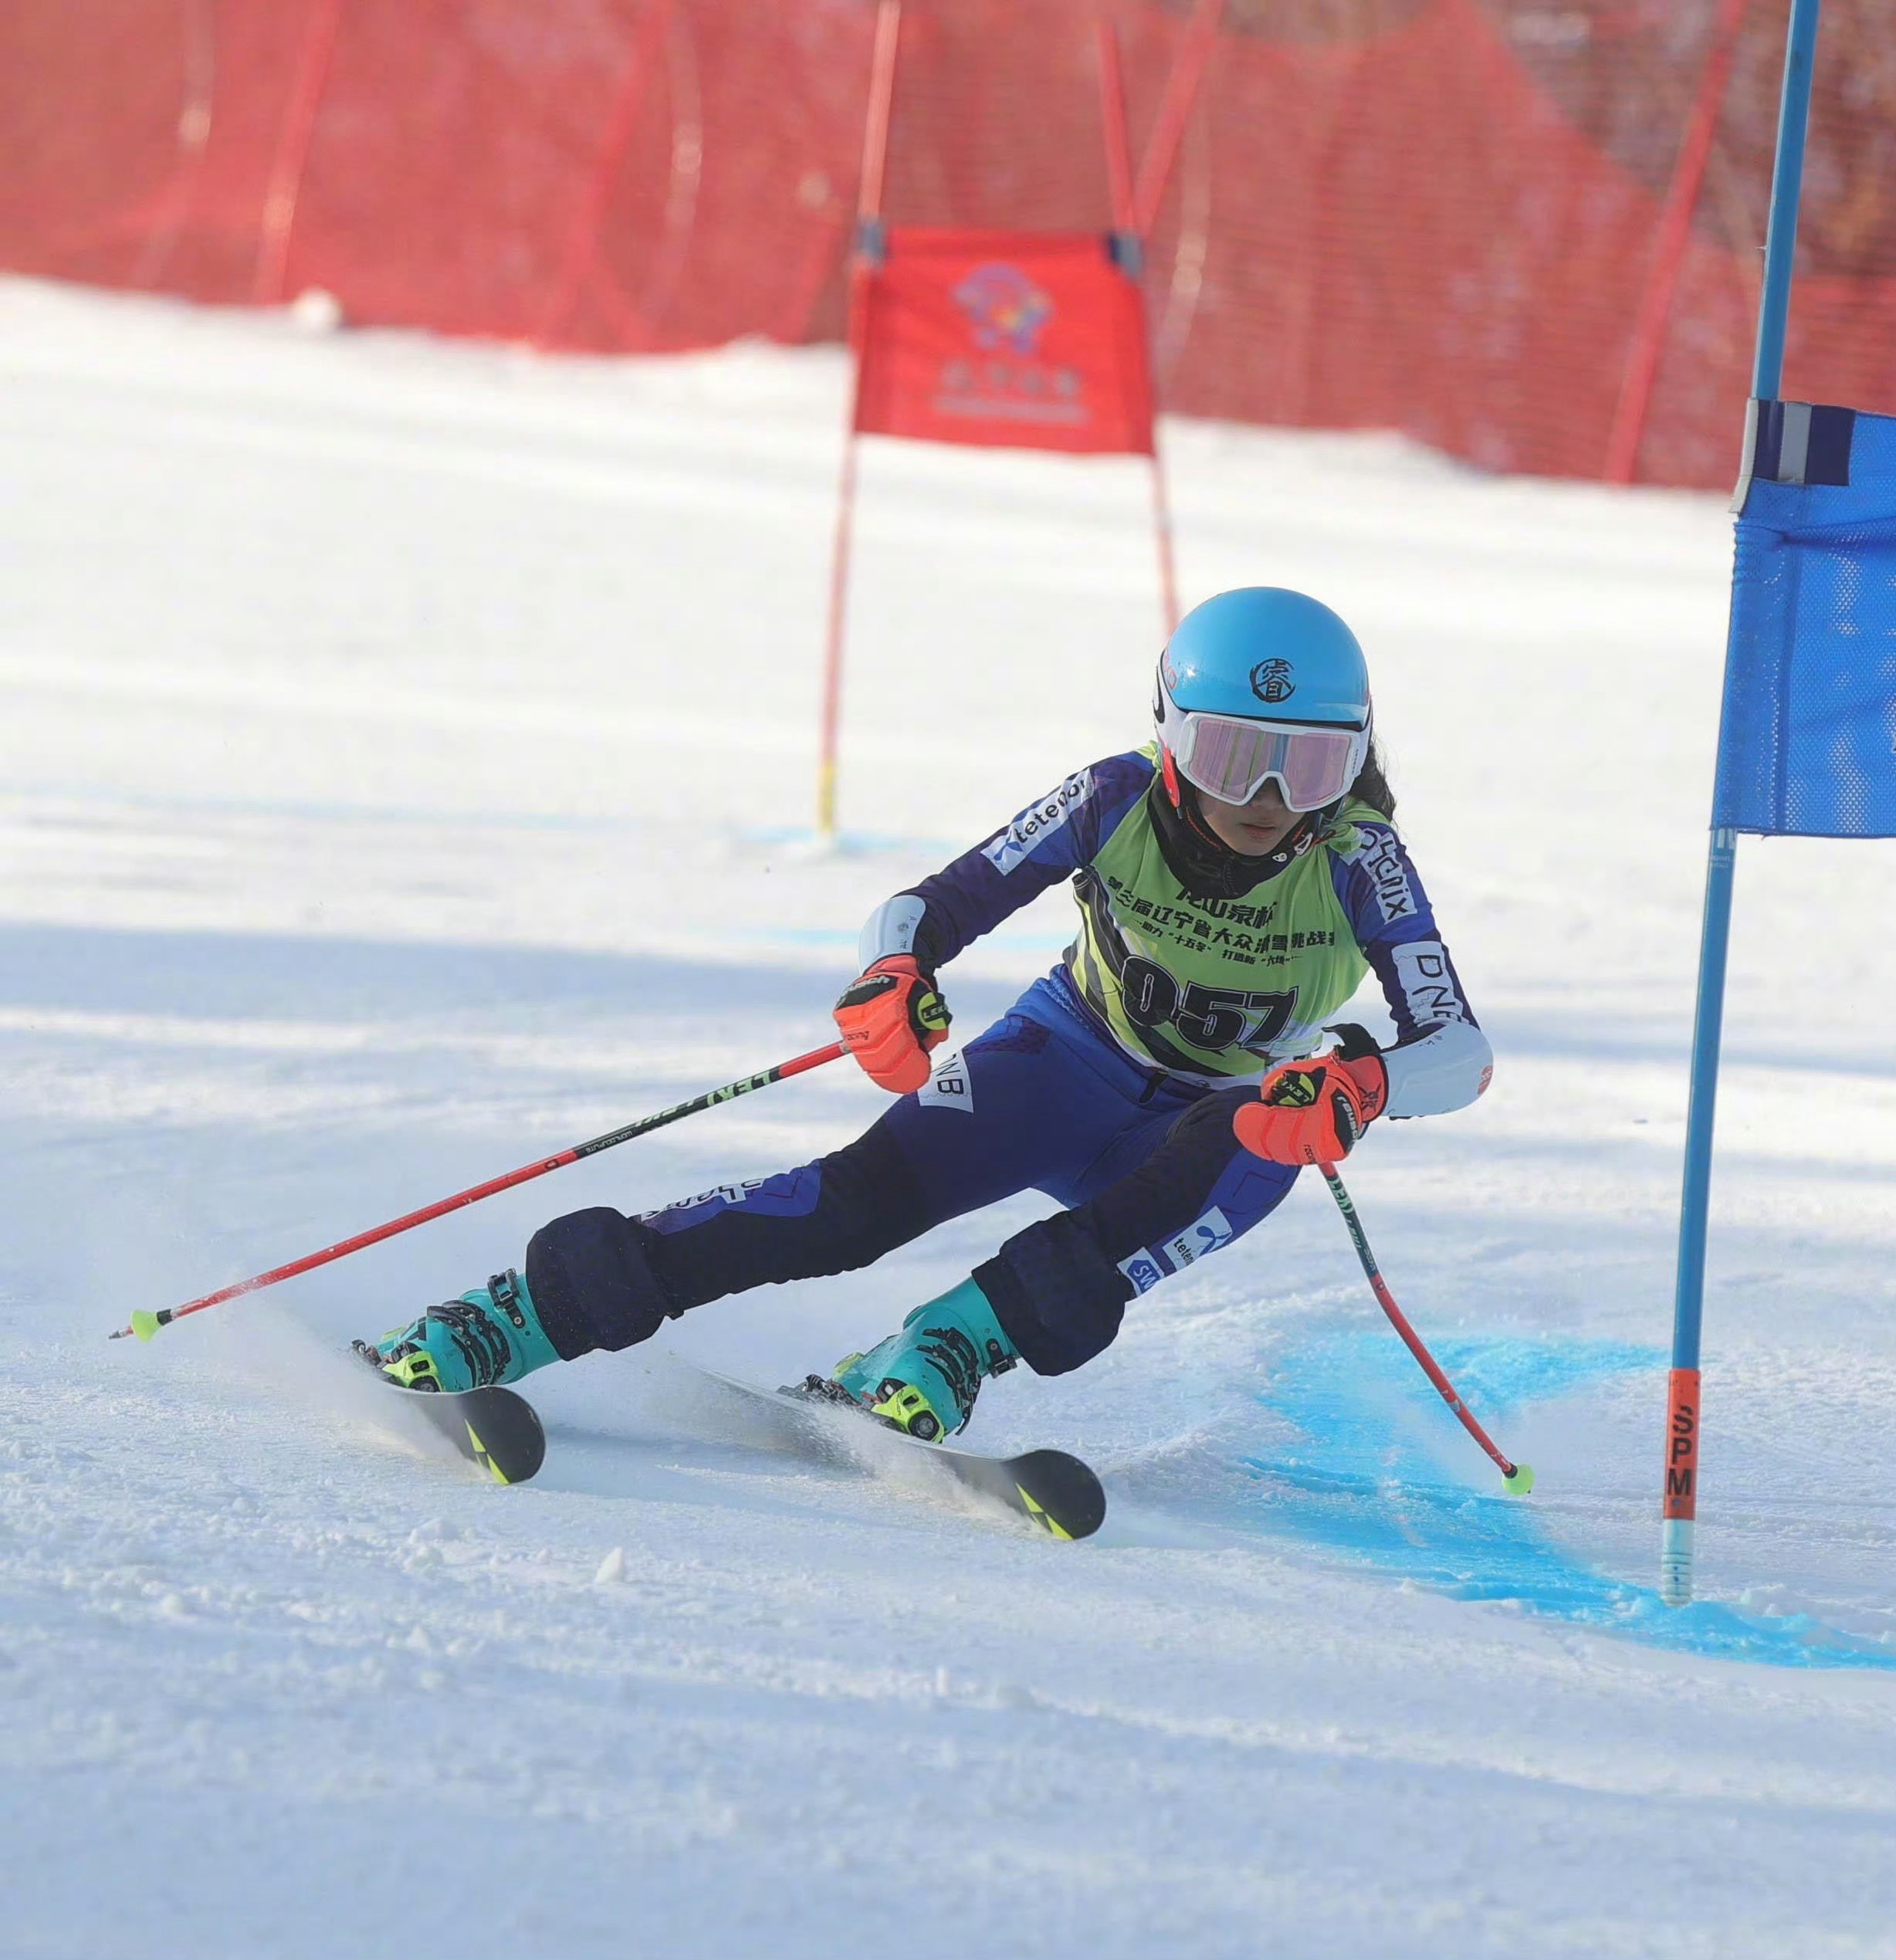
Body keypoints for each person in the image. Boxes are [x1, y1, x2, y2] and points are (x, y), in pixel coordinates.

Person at [358, 588, 1491, 1440]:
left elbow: (1462, 1049)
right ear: (1172, 734)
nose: (1262, 801)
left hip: (1232, 1118)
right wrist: (892, 976)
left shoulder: (1361, 860)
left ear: (1355, 766)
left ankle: (947, 1343)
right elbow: (932, 904)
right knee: (848, 1210)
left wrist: (1363, 1083)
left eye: (1306, 768)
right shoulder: (1117, 796)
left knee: (1165, 1196)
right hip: (1065, 1059)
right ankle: (526, 1310)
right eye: (1232, 755)